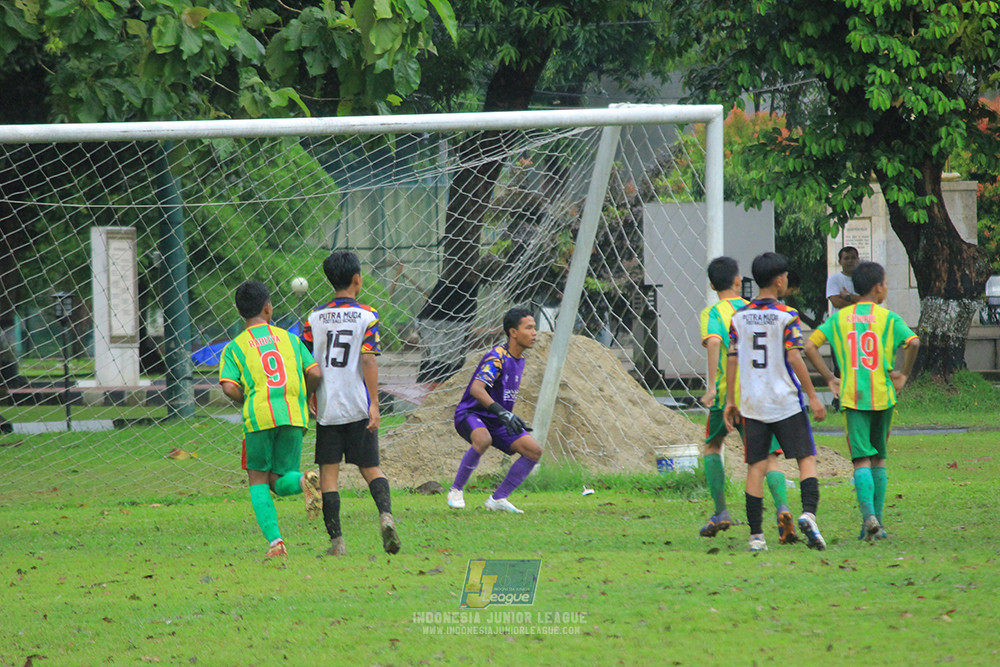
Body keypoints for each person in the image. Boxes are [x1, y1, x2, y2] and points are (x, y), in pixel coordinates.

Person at [804, 261, 919, 542]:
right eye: (886, 283)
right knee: (879, 459)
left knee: (860, 460)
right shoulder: (888, 317)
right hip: (883, 395)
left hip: (854, 397)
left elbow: (809, 346)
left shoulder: (840, 318)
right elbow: (913, 343)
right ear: (879, 287)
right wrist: (903, 373)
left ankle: (868, 517)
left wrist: (830, 377)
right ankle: (876, 524)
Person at [724, 252, 828, 552]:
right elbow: (794, 356)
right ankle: (808, 513)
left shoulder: (739, 317)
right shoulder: (787, 316)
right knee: (805, 458)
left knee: (756, 466)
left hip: (752, 402)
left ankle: (756, 536)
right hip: (784, 400)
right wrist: (812, 395)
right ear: (780, 280)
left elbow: (732, 358)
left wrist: (731, 399)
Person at [303, 251, 401, 556]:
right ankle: (385, 516)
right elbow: (368, 359)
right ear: (357, 279)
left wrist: (308, 397)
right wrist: (374, 404)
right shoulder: (368, 315)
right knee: (371, 468)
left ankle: (337, 544)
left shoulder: (313, 318)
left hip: (328, 408)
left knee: (328, 475)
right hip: (358, 405)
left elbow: (307, 364)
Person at [219, 281, 323, 559]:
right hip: (294, 415)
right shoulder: (290, 339)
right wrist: (306, 396)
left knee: (258, 480)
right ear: (268, 308)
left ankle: (276, 542)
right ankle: (303, 479)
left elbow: (228, 386)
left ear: (241, 312)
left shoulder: (234, 347)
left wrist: (249, 399)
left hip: (259, 418)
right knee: (280, 479)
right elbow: (314, 373)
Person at [698, 257, 797, 544]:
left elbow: (715, 341)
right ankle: (782, 507)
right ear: (739, 282)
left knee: (712, 445)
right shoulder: (755, 309)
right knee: (768, 456)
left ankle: (721, 511)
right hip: (759, 393)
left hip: (728, 394)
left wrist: (711, 387)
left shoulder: (713, 312)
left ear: (712, 285)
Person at [447, 306, 542, 514]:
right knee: (483, 440)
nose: (534, 333)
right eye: (529, 328)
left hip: (498, 420)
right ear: (513, 332)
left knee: (534, 451)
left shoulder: (520, 360)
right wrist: (502, 412)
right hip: (471, 414)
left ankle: (498, 499)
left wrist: (505, 416)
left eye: (535, 328)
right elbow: (476, 389)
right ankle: (456, 490)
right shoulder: (497, 356)